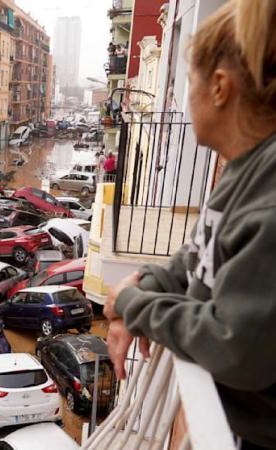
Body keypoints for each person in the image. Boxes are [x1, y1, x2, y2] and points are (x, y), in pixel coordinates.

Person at [103, 1, 276, 448]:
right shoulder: (242, 168)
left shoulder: (269, 185)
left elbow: (235, 345)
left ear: (219, 87)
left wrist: (137, 305)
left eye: (189, 81)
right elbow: (194, 259)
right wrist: (141, 289)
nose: (185, 95)